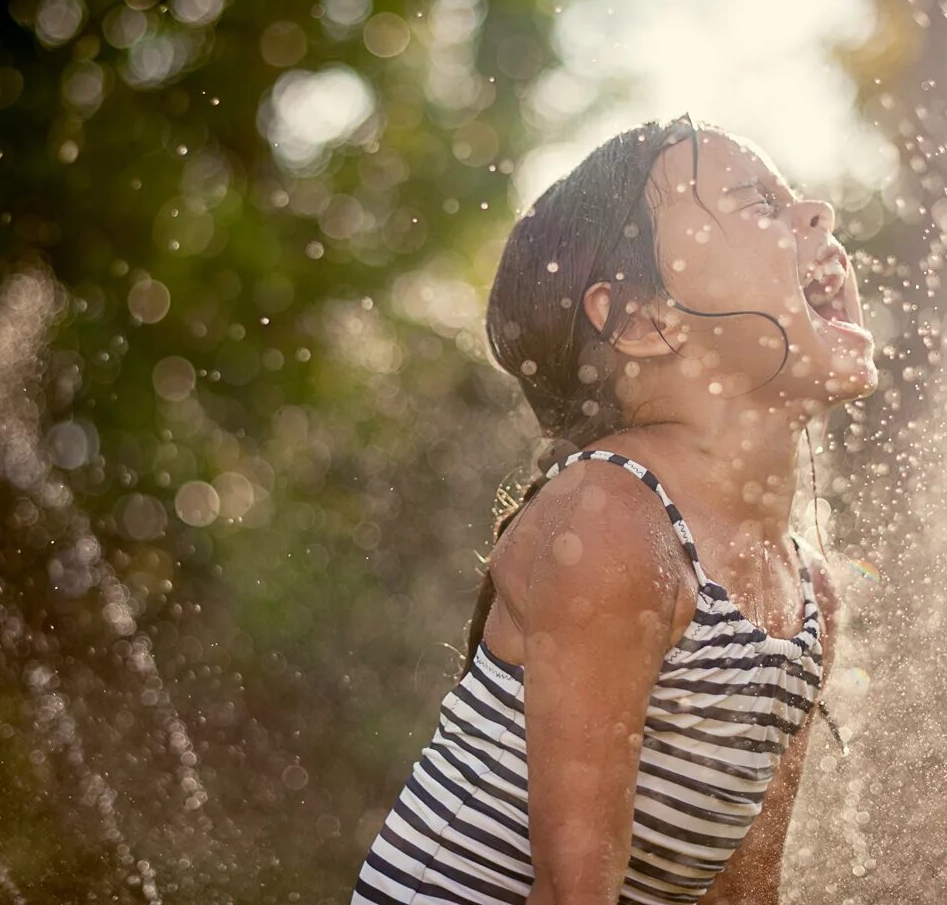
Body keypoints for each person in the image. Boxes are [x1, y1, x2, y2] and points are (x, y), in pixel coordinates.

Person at [351, 114, 879, 904]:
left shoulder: (807, 591)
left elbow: (745, 890)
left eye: (797, 198)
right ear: (642, 321)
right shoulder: (611, 523)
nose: (816, 216)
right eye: (760, 204)